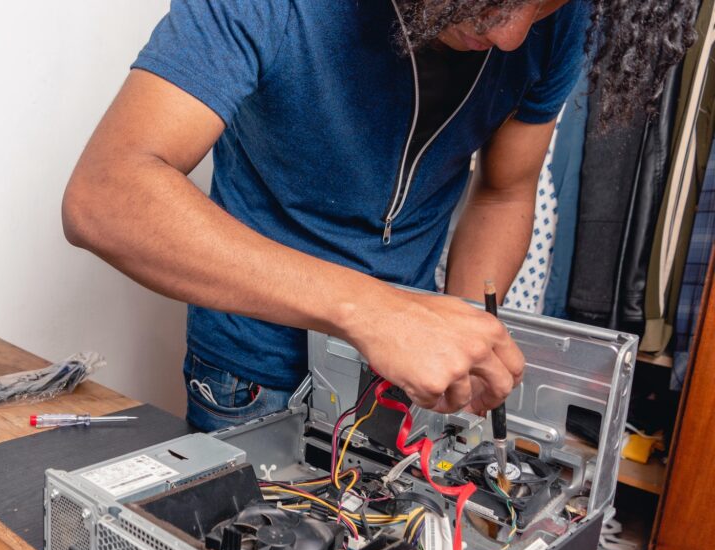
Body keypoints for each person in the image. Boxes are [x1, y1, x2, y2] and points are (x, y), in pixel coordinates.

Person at [62, 0, 695, 431]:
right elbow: (105, 194)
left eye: (545, 6)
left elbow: (506, 189)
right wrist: (372, 309)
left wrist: (467, 339)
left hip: (401, 372)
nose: (512, 36)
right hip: (249, 374)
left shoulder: (551, 23)